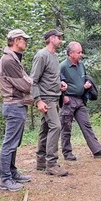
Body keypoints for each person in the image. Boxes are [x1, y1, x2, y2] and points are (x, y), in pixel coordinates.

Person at [59, 41, 101, 160]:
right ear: (71, 53)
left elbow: (83, 78)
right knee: (66, 127)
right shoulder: (62, 66)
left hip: (80, 100)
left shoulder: (81, 65)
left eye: (81, 52)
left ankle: (97, 150)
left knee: (86, 125)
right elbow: (56, 83)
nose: (81, 54)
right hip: (68, 101)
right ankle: (67, 153)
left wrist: (87, 85)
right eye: (79, 52)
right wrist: (63, 97)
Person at [0, 29, 34, 192]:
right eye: (24, 39)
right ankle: (5, 179)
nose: (26, 42)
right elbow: (25, 84)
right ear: (16, 40)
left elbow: (26, 80)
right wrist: (36, 86)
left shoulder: (14, 59)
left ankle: (12, 173)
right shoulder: (8, 61)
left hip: (17, 104)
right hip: (13, 105)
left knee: (14, 142)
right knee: (10, 143)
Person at [30, 29, 69, 176]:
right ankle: (51, 164)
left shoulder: (54, 56)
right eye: (59, 38)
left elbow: (50, 77)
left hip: (54, 97)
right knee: (56, 127)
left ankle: (41, 161)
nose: (60, 40)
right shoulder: (41, 55)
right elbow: (33, 80)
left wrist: (60, 84)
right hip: (46, 99)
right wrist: (38, 100)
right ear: (52, 39)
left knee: (46, 129)